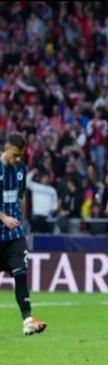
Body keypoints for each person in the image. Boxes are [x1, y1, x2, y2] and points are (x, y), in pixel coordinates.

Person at [0, 133, 47, 336]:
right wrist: (3, 217)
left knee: (20, 274)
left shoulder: (20, 169)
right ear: (7, 147)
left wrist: (21, 217)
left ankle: (28, 321)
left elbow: (20, 196)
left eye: (21, 155)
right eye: (15, 154)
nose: (18, 158)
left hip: (15, 235)